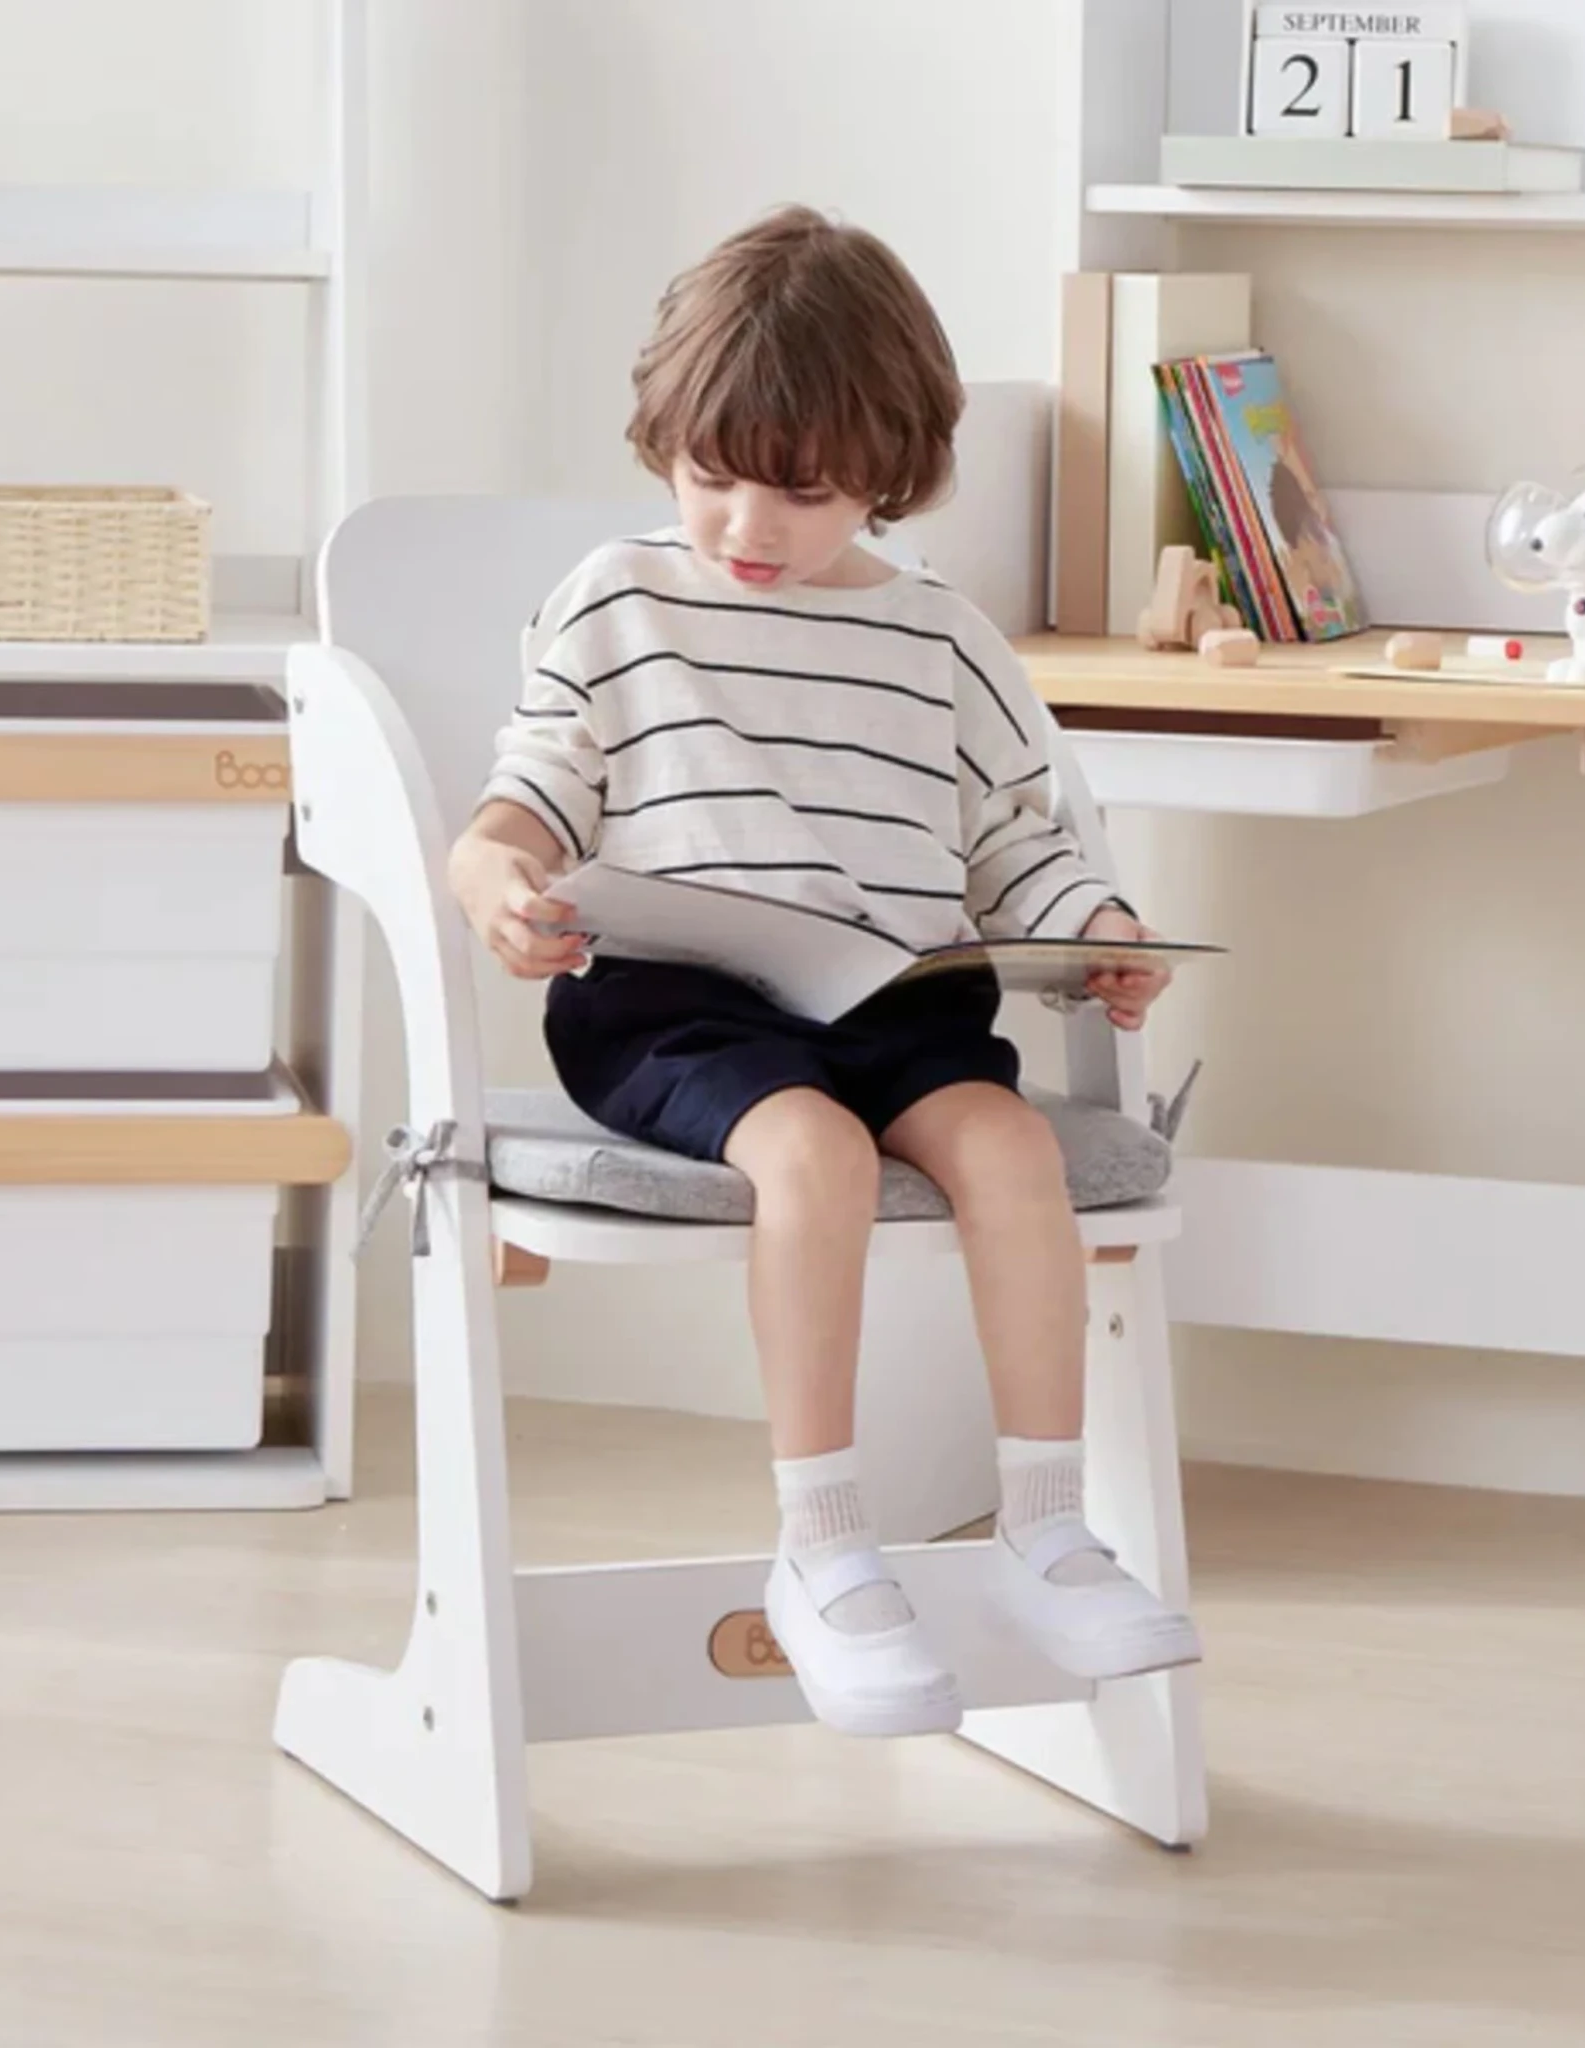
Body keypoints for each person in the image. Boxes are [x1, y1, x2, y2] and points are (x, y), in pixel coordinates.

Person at [447, 204, 1199, 1739]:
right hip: (674, 1000)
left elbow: (1016, 846)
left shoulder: (942, 641)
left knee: (1005, 1147)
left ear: (890, 467)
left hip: (894, 999)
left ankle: (1048, 1525)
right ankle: (826, 1543)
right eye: (710, 478)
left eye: (799, 494)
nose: (746, 529)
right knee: (813, 1151)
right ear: (665, 441)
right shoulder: (620, 602)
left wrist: (1099, 933)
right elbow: (532, 792)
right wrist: (492, 873)